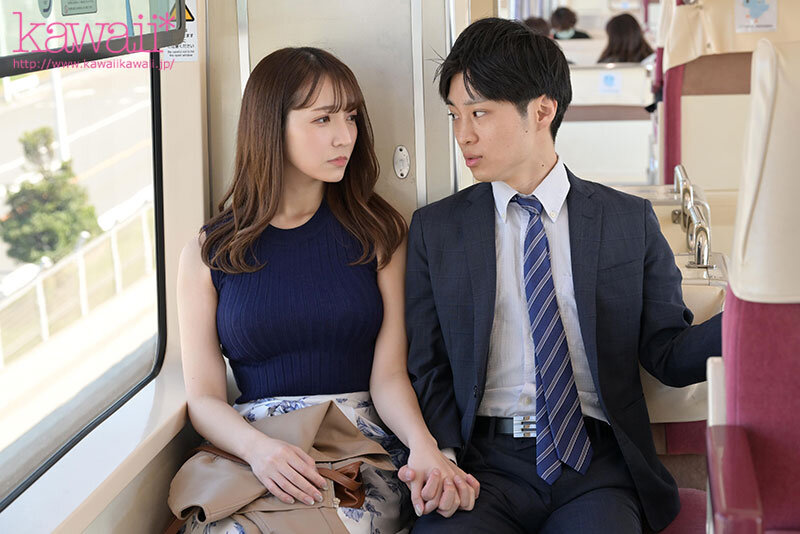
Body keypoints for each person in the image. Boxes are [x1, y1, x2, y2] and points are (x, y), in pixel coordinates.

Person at [404, 18, 722, 533]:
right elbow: (427, 363)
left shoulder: (627, 221)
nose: (464, 134)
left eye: (479, 112)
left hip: (596, 466)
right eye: (454, 115)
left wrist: (750, 315)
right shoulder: (437, 229)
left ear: (542, 111)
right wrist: (444, 455)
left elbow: (667, 352)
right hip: (482, 465)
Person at [176, 46, 478, 534]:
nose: (345, 136)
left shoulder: (380, 234)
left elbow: (389, 377)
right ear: (270, 127)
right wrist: (259, 450)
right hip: (256, 448)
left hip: (357, 446)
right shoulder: (209, 251)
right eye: (322, 119)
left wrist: (425, 447)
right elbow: (205, 399)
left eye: (351, 117)